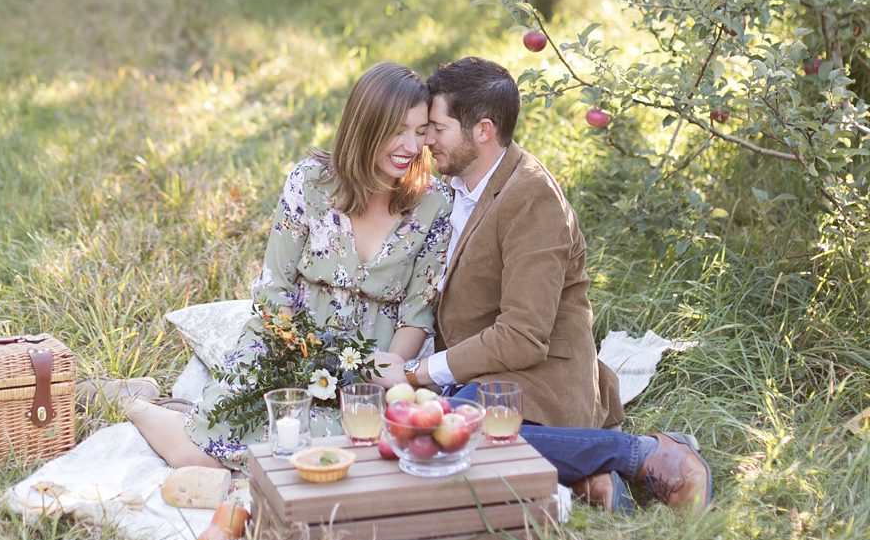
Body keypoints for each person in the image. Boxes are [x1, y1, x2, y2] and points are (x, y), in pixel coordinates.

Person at [398, 56, 710, 511]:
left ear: (482, 131)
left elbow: (524, 336)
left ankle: (641, 454)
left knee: (453, 432)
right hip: (485, 374)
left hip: (541, 374)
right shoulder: (455, 186)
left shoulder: (532, 196)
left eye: (437, 129)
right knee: (418, 432)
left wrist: (420, 373)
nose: (426, 140)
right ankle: (583, 477)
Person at [126, 62, 453, 469]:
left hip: (371, 361)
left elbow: (416, 314)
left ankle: (177, 410)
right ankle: (137, 405)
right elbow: (274, 289)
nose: (410, 145)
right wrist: (301, 361)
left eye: (420, 132)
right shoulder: (311, 182)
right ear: (365, 127)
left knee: (338, 458)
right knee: (201, 457)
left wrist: (383, 371)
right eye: (397, 130)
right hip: (286, 344)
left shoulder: (434, 202)